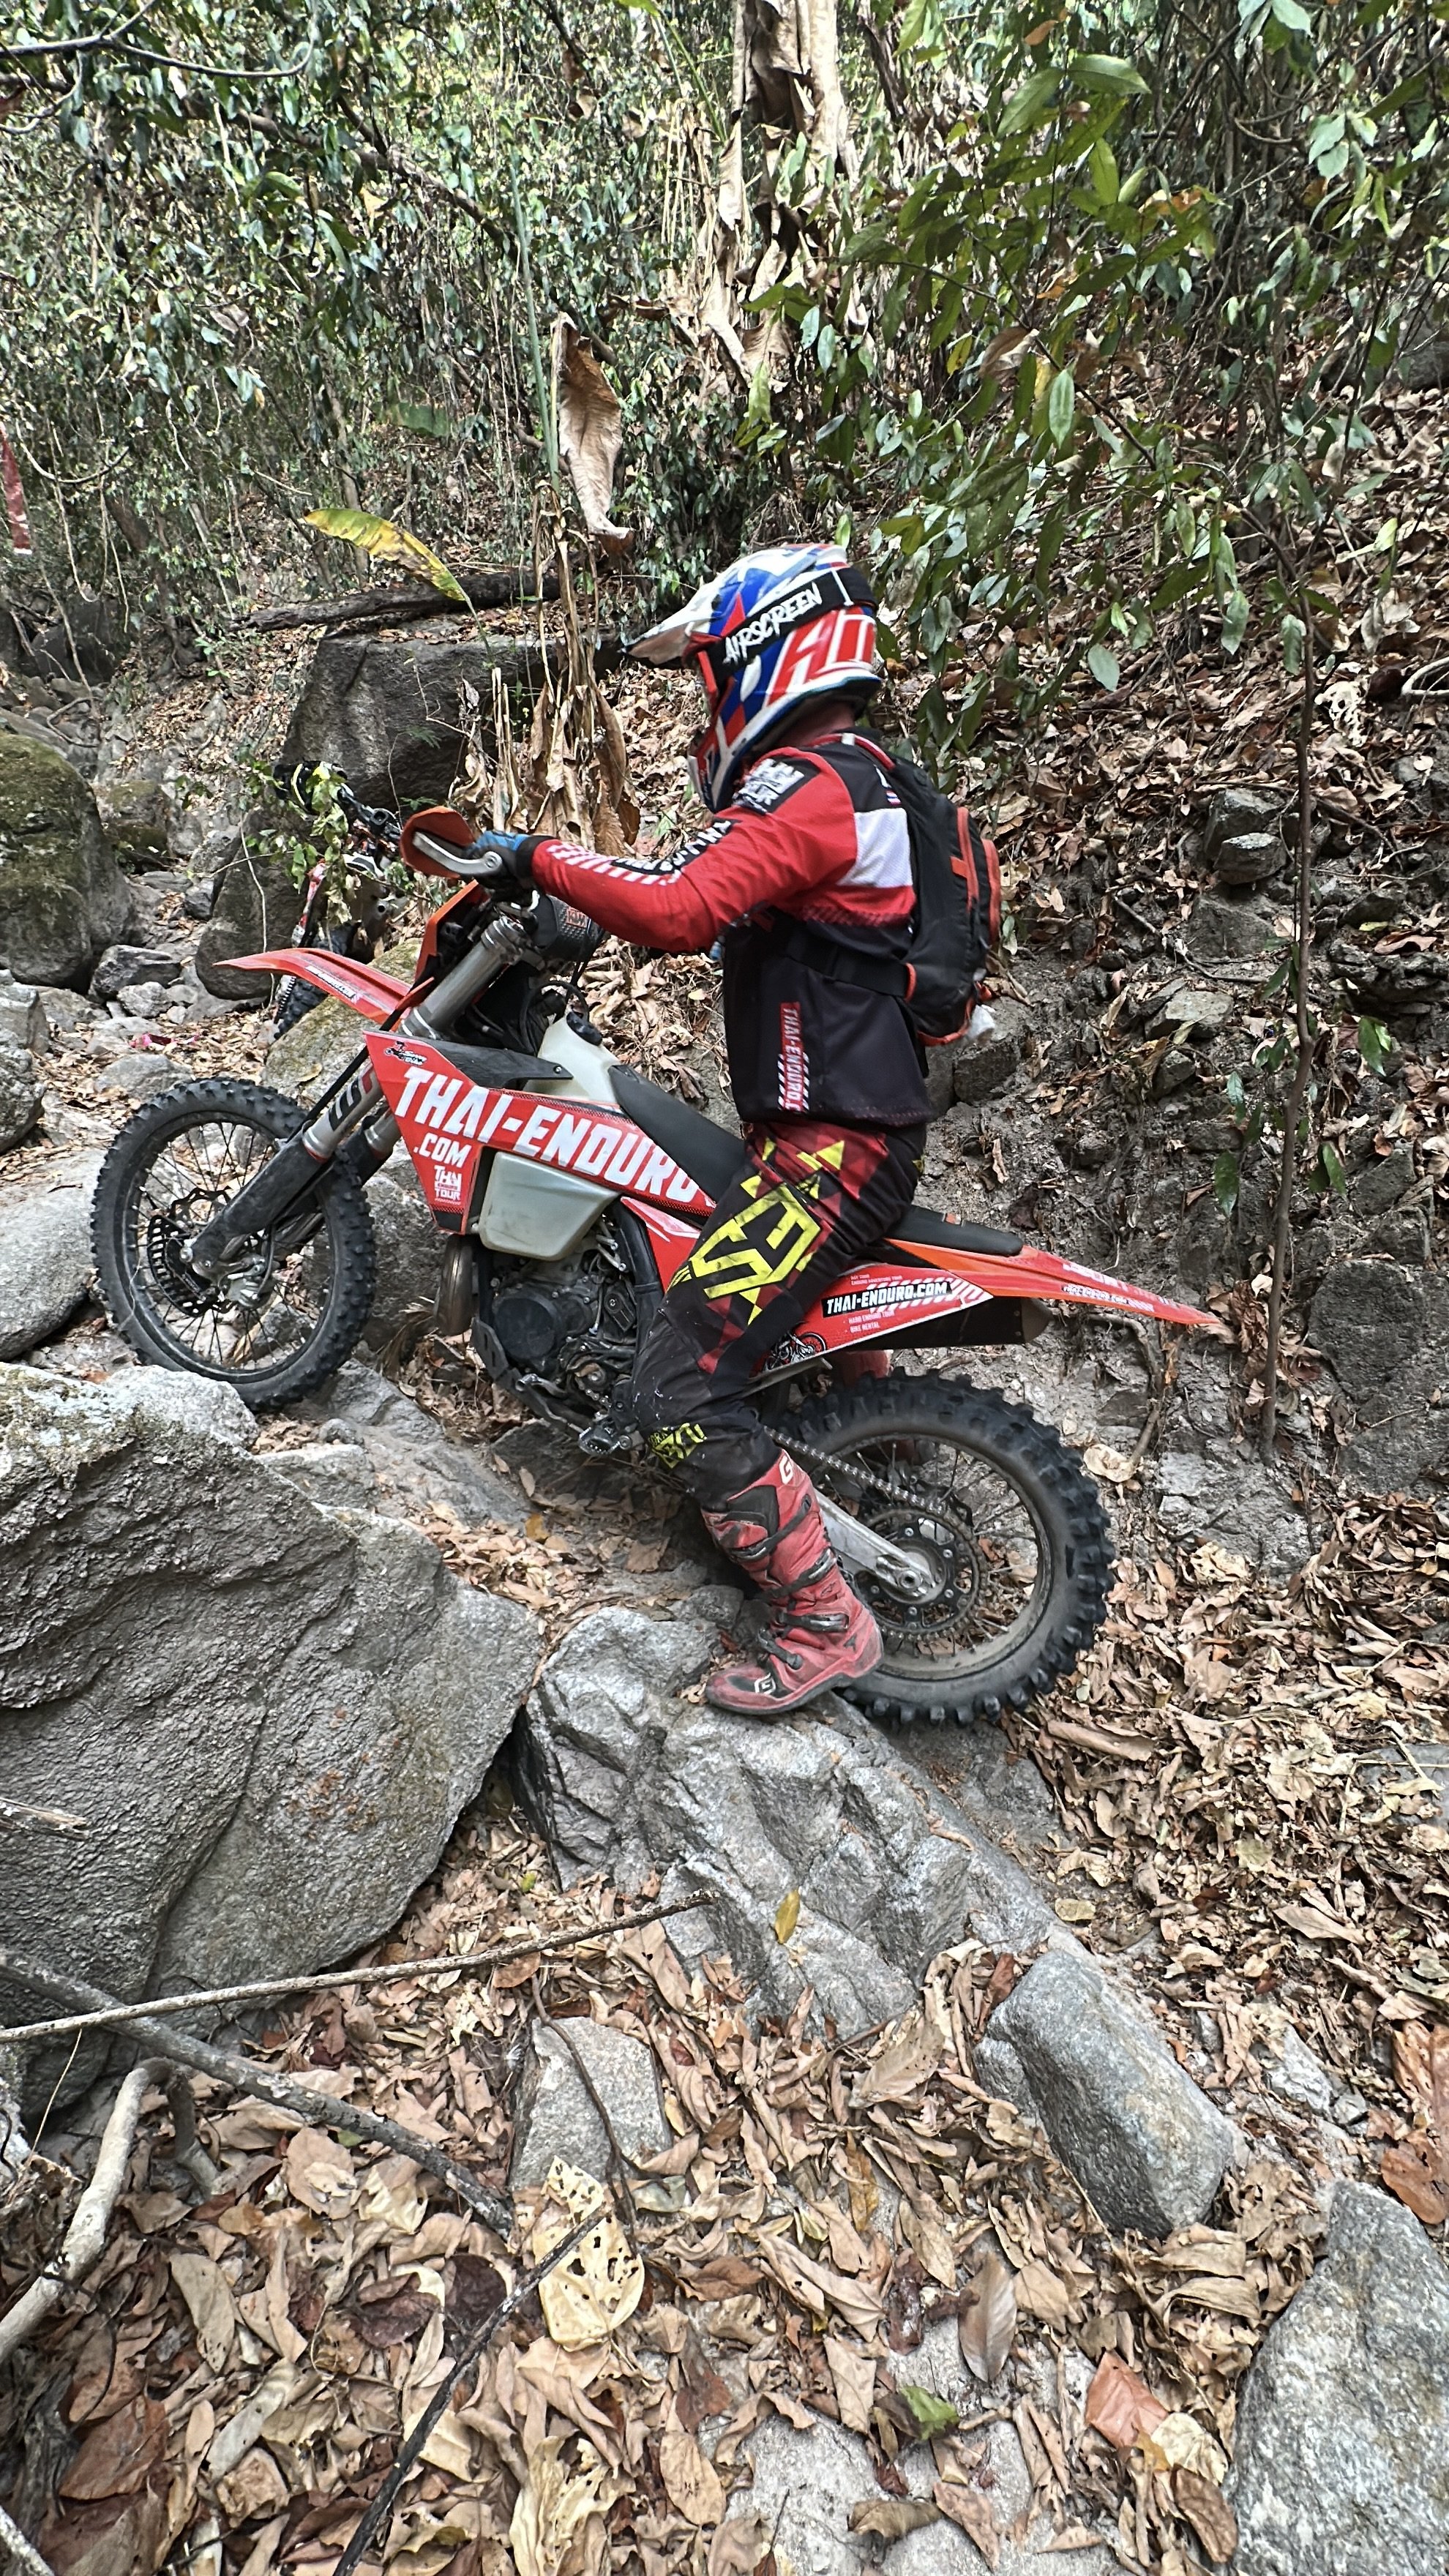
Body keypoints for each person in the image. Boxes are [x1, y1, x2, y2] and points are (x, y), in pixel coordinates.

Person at [480, 542, 930, 1716]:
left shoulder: (814, 784)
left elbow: (681, 906)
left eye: (713, 671)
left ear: (772, 653)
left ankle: (824, 1617)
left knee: (675, 1390)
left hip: (830, 1160)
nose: (707, 699)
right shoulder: (877, 784)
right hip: (844, 1136)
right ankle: (889, 1457)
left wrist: (536, 855)